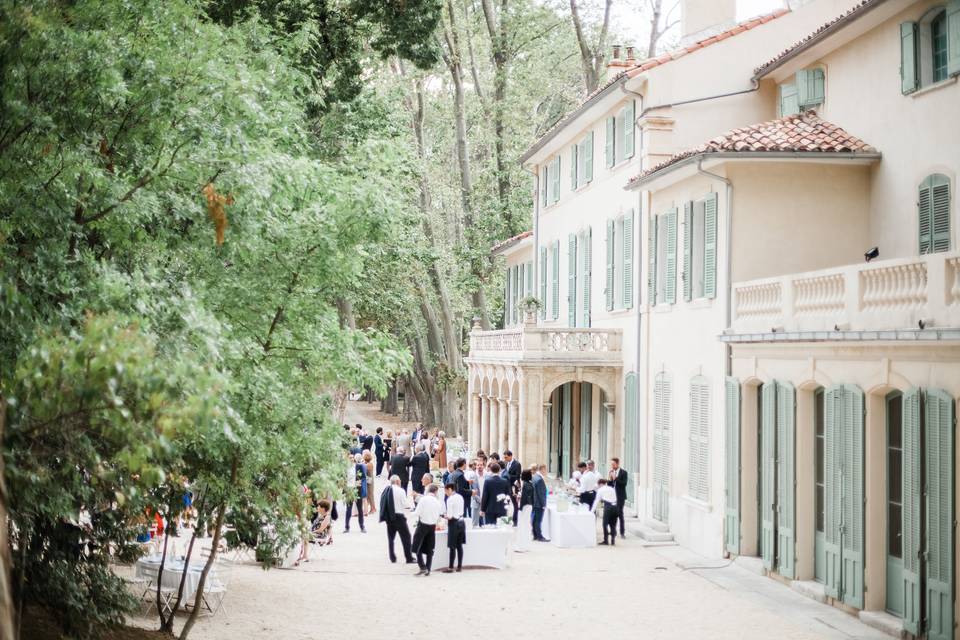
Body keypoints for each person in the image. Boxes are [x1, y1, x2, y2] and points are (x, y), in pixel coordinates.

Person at [379, 476, 414, 564]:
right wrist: (411, 506)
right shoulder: (400, 490)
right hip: (399, 516)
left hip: (389, 517)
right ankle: (408, 557)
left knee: (391, 538)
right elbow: (405, 504)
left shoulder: (386, 490)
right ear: (398, 481)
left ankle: (392, 557)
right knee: (406, 537)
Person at [411, 484, 441, 576]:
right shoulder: (437, 502)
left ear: (428, 491)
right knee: (429, 548)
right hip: (432, 526)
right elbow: (438, 516)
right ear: (435, 492)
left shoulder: (424, 499)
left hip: (422, 525)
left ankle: (422, 566)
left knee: (416, 546)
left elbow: (417, 512)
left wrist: (410, 513)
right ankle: (428, 568)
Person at [442, 483, 465, 573]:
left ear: (450, 489)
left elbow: (450, 516)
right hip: (461, 521)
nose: (445, 493)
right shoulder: (460, 497)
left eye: (446, 490)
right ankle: (459, 566)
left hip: (454, 523)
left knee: (452, 546)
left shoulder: (450, 499)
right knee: (459, 546)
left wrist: (444, 516)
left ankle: (451, 567)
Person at [479, 462, 510, 526]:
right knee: (501, 529)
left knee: (490, 531)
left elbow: (485, 496)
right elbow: (508, 495)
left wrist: (482, 509)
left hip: (490, 509)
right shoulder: (504, 481)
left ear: (490, 470)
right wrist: (507, 506)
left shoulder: (487, 481)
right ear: (499, 470)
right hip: (502, 508)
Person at [343, 453, 367, 533]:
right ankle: (347, 527)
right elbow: (342, 478)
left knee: (360, 509)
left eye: (352, 457)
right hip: (349, 490)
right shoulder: (345, 468)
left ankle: (362, 527)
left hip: (357, 490)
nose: (351, 459)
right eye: (350, 458)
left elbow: (363, 476)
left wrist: (359, 482)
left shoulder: (359, 466)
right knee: (348, 510)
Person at [592, 478, 619, 546]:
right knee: (613, 524)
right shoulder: (611, 488)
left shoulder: (600, 490)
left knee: (605, 524)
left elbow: (596, 501)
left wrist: (592, 511)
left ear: (600, 484)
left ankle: (606, 540)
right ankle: (613, 540)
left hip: (608, 507)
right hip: (615, 506)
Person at [515, 470, 535, 552]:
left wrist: (520, 507)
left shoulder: (525, 484)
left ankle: (521, 546)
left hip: (524, 506)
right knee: (526, 525)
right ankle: (526, 545)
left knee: (522, 525)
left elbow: (524, 497)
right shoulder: (531, 484)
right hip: (529, 506)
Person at [609, 458, 628, 537]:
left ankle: (622, 532)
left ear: (617, 464)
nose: (612, 466)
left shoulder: (624, 472)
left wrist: (615, 478)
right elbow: (611, 485)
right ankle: (613, 531)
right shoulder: (612, 472)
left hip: (620, 497)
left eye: (613, 464)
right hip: (613, 497)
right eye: (611, 464)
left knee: (620, 514)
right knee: (613, 515)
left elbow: (624, 484)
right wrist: (610, 479)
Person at [532, 464, 549, 542]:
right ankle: (539, 536)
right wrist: (543, 504)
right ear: (542, 469)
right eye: (545, 470)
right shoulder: (539, 479)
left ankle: (535, 535)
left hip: (535, 502)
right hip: (538, 503)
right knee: (538, 520)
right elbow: (540, 493)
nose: (546, 472)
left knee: (535, 519)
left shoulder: (535, 477)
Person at [362, 450, 377, 515]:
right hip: (368, 480)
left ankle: (373, 508)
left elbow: (363, 468)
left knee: (370, 495)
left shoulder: (369, 464)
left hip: (369, 481)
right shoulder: (367, 463)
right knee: (368, 494)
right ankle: (369, 508)